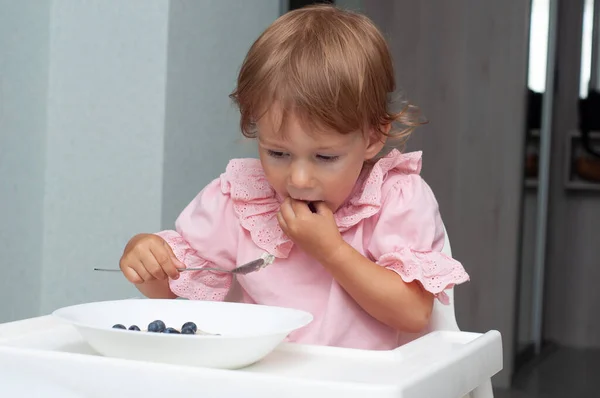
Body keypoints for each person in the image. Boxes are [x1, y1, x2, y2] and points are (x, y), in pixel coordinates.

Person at [119, 4, 469, 350]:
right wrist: (146, 258)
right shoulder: (241, 201)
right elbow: (170, 289)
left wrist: (331, 251)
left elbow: (412, 313)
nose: (299, 179)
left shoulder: (395, 199)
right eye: (278, 153)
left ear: (374, 137)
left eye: (325, 156)